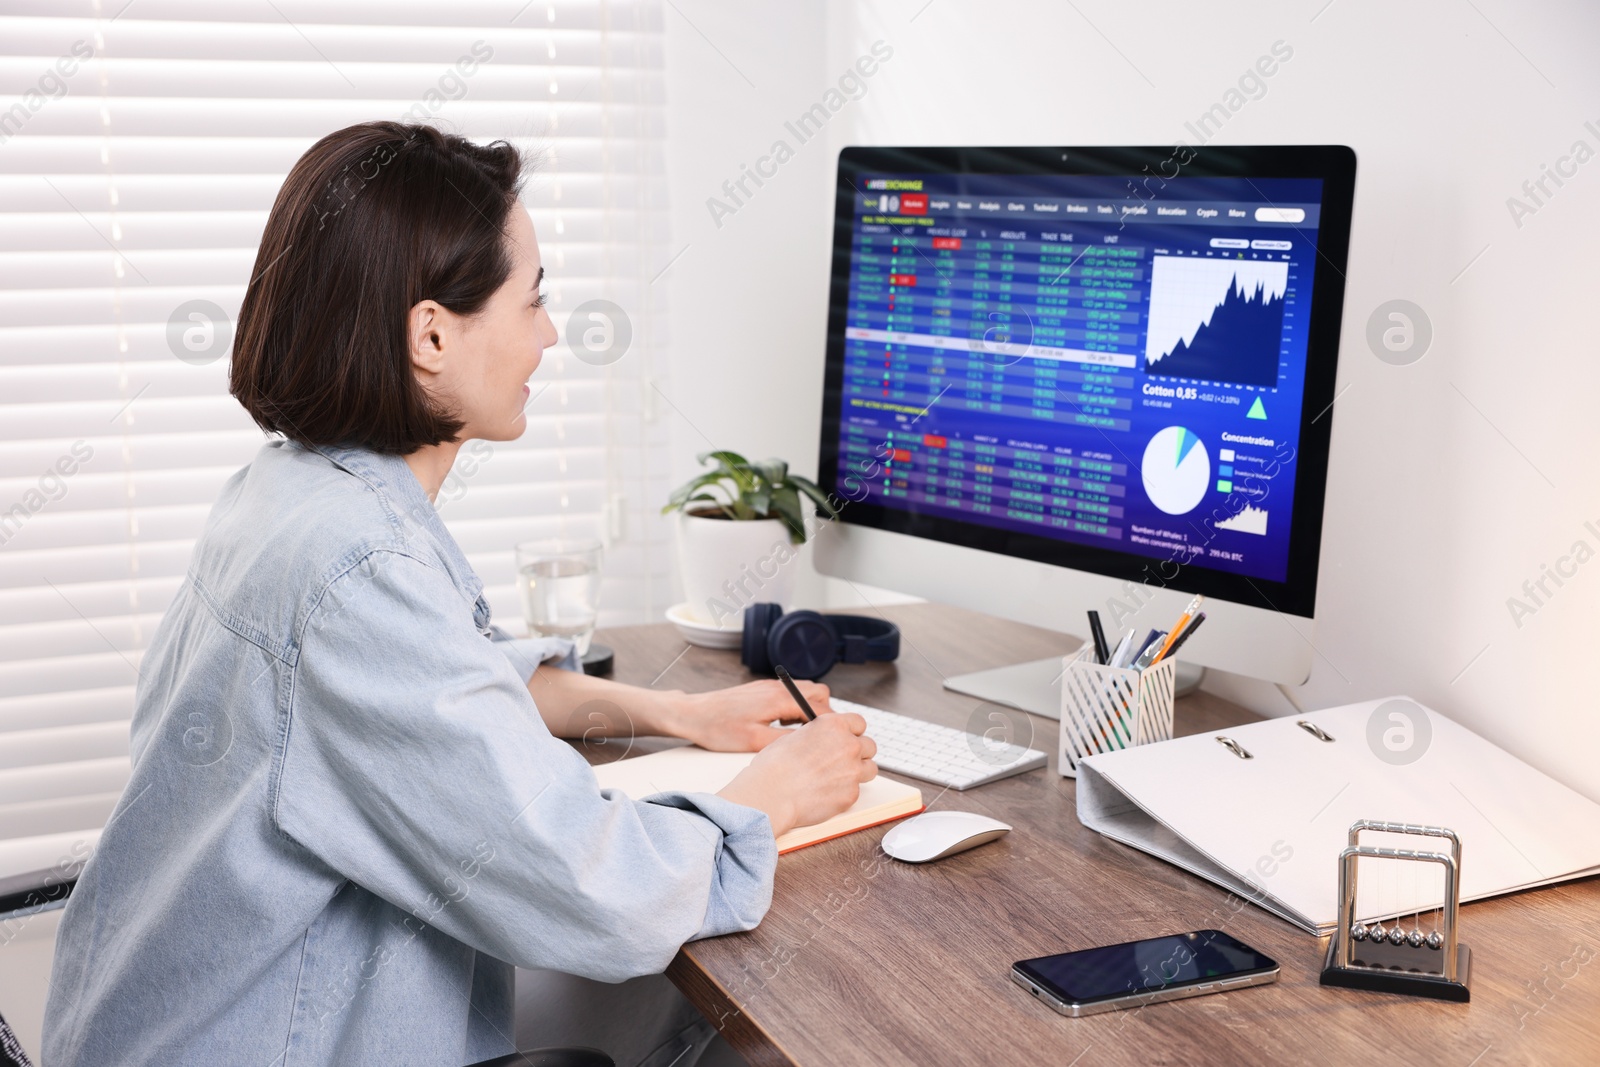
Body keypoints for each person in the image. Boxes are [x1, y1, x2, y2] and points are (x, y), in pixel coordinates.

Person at [41, 121, 876, 1067]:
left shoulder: (292, 494)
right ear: (432, 333)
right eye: (535, 300)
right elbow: (589, 883)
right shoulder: (357, 569)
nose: (552, 333)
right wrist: (773, 795)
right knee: (762, 1034)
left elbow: (441, 689)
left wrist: (676, 711)